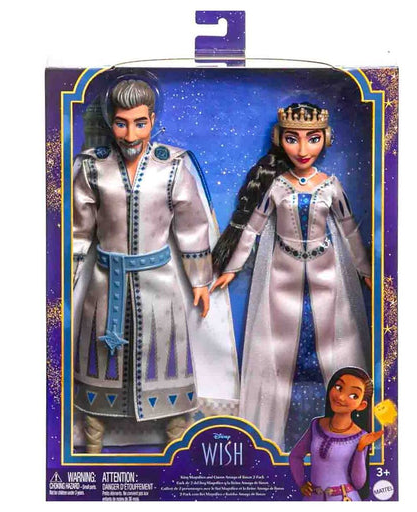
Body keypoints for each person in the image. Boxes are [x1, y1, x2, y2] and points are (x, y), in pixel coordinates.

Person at [73, 79, 239, 452]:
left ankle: (175, 445)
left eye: (139, 123)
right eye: (121, 123)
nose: (130, 134)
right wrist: (64, 278)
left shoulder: (172, 166)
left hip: (159, 284)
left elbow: (192, 227)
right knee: (101, 361)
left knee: (165, 357)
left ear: (152, 119)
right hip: (105, 282)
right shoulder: (94, 166)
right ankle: (92, 447)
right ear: (110, 121)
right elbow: (78, 231)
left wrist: (199, 280)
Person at [212, 102, 371, 450]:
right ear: (278, 139)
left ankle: (342, 427)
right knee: (280, 346)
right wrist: (232, 267)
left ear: (326, 139)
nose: (302, 149)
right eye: (292, 139)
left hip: (326, 277)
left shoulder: (330, 186)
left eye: (312, 139)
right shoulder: (278, 187)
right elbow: (252, 229)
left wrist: (365, 270)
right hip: (281, 278)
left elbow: (349, 230)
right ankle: (278, 427)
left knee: (332, 341)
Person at [288, 367, 383, 501]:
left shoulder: (361, 437)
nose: (341, 397)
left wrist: (360, 449)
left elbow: (358, 483)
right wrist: (301, 483)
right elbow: (295, 456)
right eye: (338, 387)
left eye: (353, 395)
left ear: (361, 405)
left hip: (344, 498)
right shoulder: (316, 425)